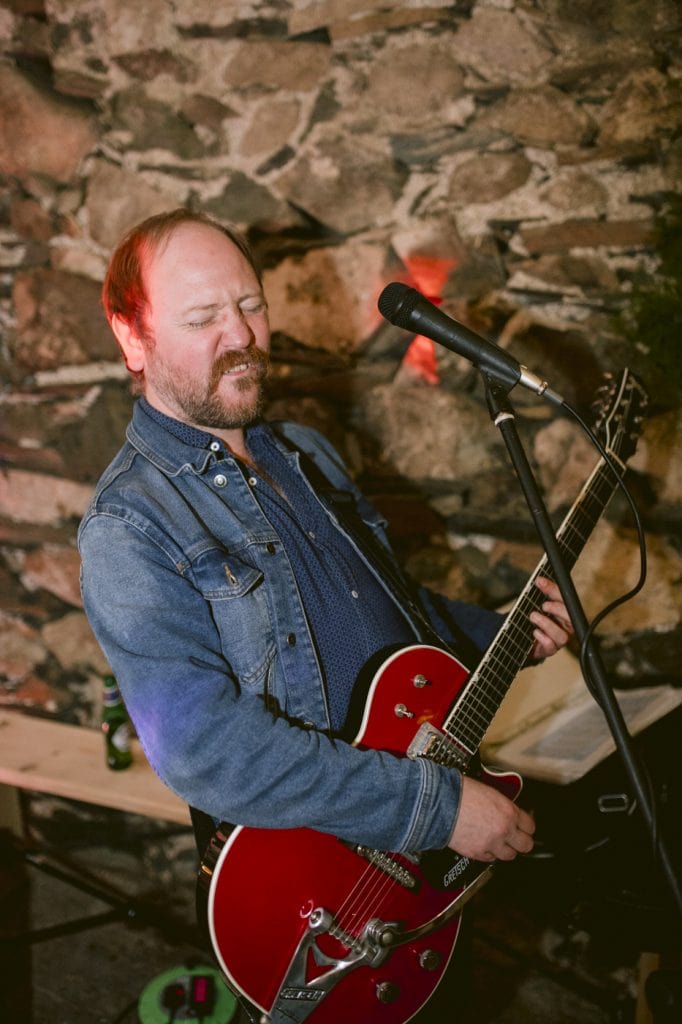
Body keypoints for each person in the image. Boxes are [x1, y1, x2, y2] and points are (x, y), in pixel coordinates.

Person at [78, 208, 573, 1023]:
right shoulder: (129, 527)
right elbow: (210, 753)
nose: (240, 336)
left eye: (250, 305)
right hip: (318, 896)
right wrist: (439, 806)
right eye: (203, 318)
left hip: (416, 866)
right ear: (132, 340)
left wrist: (503, 634)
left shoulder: (303, 450)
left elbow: (390, 614)